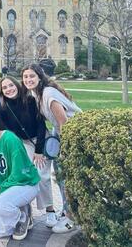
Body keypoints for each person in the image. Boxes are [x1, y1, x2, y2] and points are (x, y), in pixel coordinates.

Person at [22, 63, 82, 234]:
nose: (28, 80)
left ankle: (72, 218)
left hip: (73, 135)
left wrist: (66, 149)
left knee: (66, 176)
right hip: (64, 134)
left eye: (31, 76)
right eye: (25, 77)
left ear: (40, 77)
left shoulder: (48, 94)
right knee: (62, 176)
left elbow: (64, 122)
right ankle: (67, 210)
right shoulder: (38, 93)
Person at [0, 76, 53, 222]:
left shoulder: (30, 101)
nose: (9, 89)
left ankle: (50, 210)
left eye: (11, 85)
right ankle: (26, 210)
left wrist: (39, 150)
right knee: (25, 175)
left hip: (40, 140)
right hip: (23, 143)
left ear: (17, 85)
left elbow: (41, 125)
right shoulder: (3, 109)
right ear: (2, 92)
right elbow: (9, 134)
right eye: (5, 88)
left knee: (42, 176)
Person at [0, 109, 40, 240]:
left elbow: (19, 173)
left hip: (26, 184)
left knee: (0, 204)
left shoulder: (10, 139)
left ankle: (23, 216)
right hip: (7, 186)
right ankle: (20, 206)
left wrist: (1, 189)